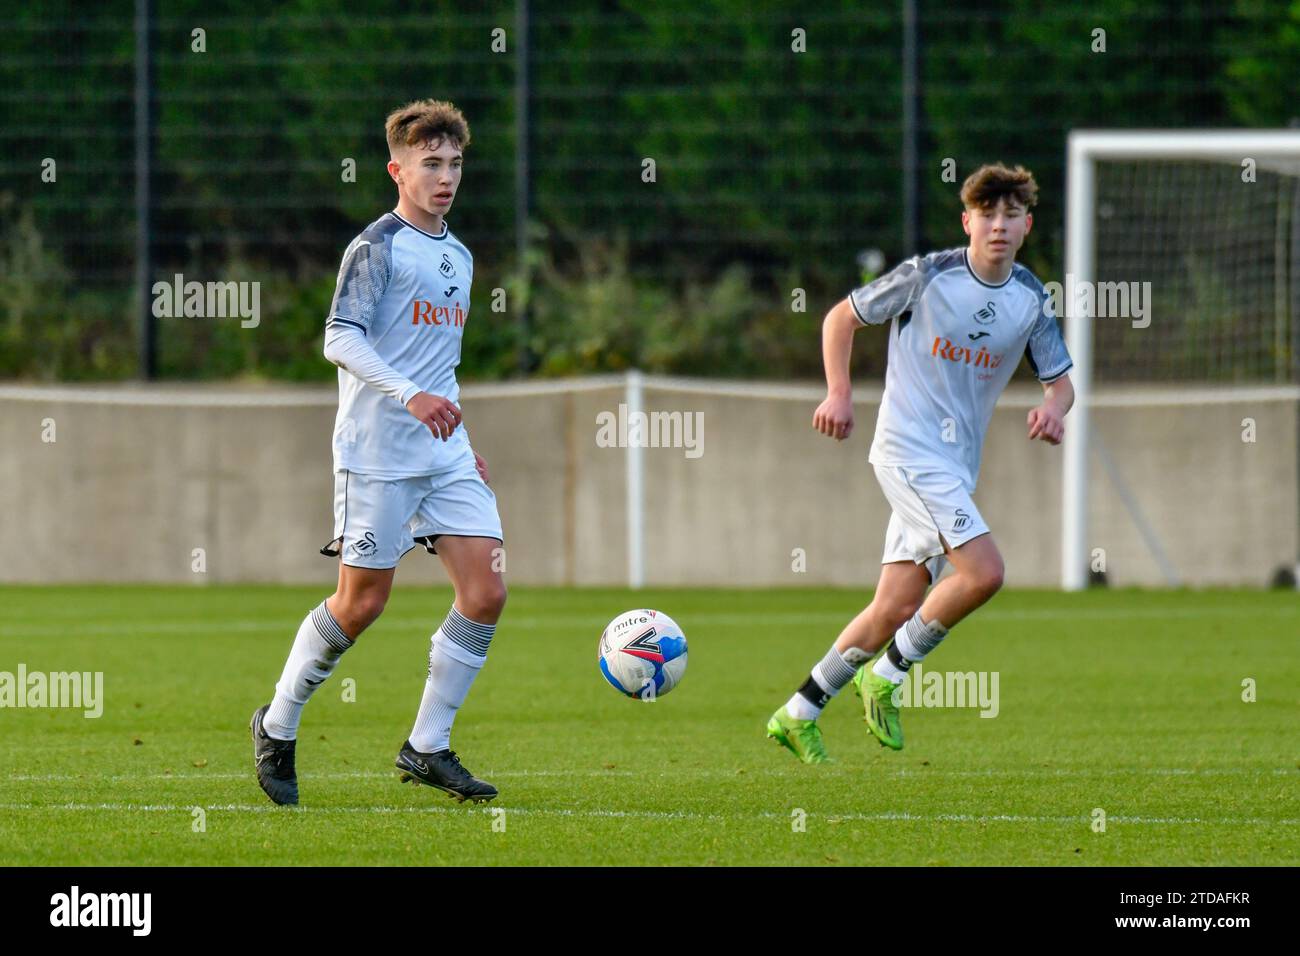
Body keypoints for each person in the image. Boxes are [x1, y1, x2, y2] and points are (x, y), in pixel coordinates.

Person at [767, 163, 1074, 763]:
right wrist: (838, 392)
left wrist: (1054, 409)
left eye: (1012, 215)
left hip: (955, 467)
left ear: (1027, 225)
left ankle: (798, 710)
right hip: (908, 451)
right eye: (987, 214)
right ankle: (888, 675)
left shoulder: (1030, 298)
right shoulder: (927, 276)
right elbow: (840, 319)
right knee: (984, 573)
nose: (999, 226)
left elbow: (1060, 381)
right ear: (967, 222)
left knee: (895, 606)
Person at [251, 99, 506, 803]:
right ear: (397, 170)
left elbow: (440, 362)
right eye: (431, 164)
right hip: (379, 454)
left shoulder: (458, 253)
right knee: (361, 606)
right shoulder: (376, 247)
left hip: (443, 453)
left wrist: (460, 436)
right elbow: (339, 337)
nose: (445, 176)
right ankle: (278, 721)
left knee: (485, 591)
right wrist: (408, 395)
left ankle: (427, 746)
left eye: (454, 163)